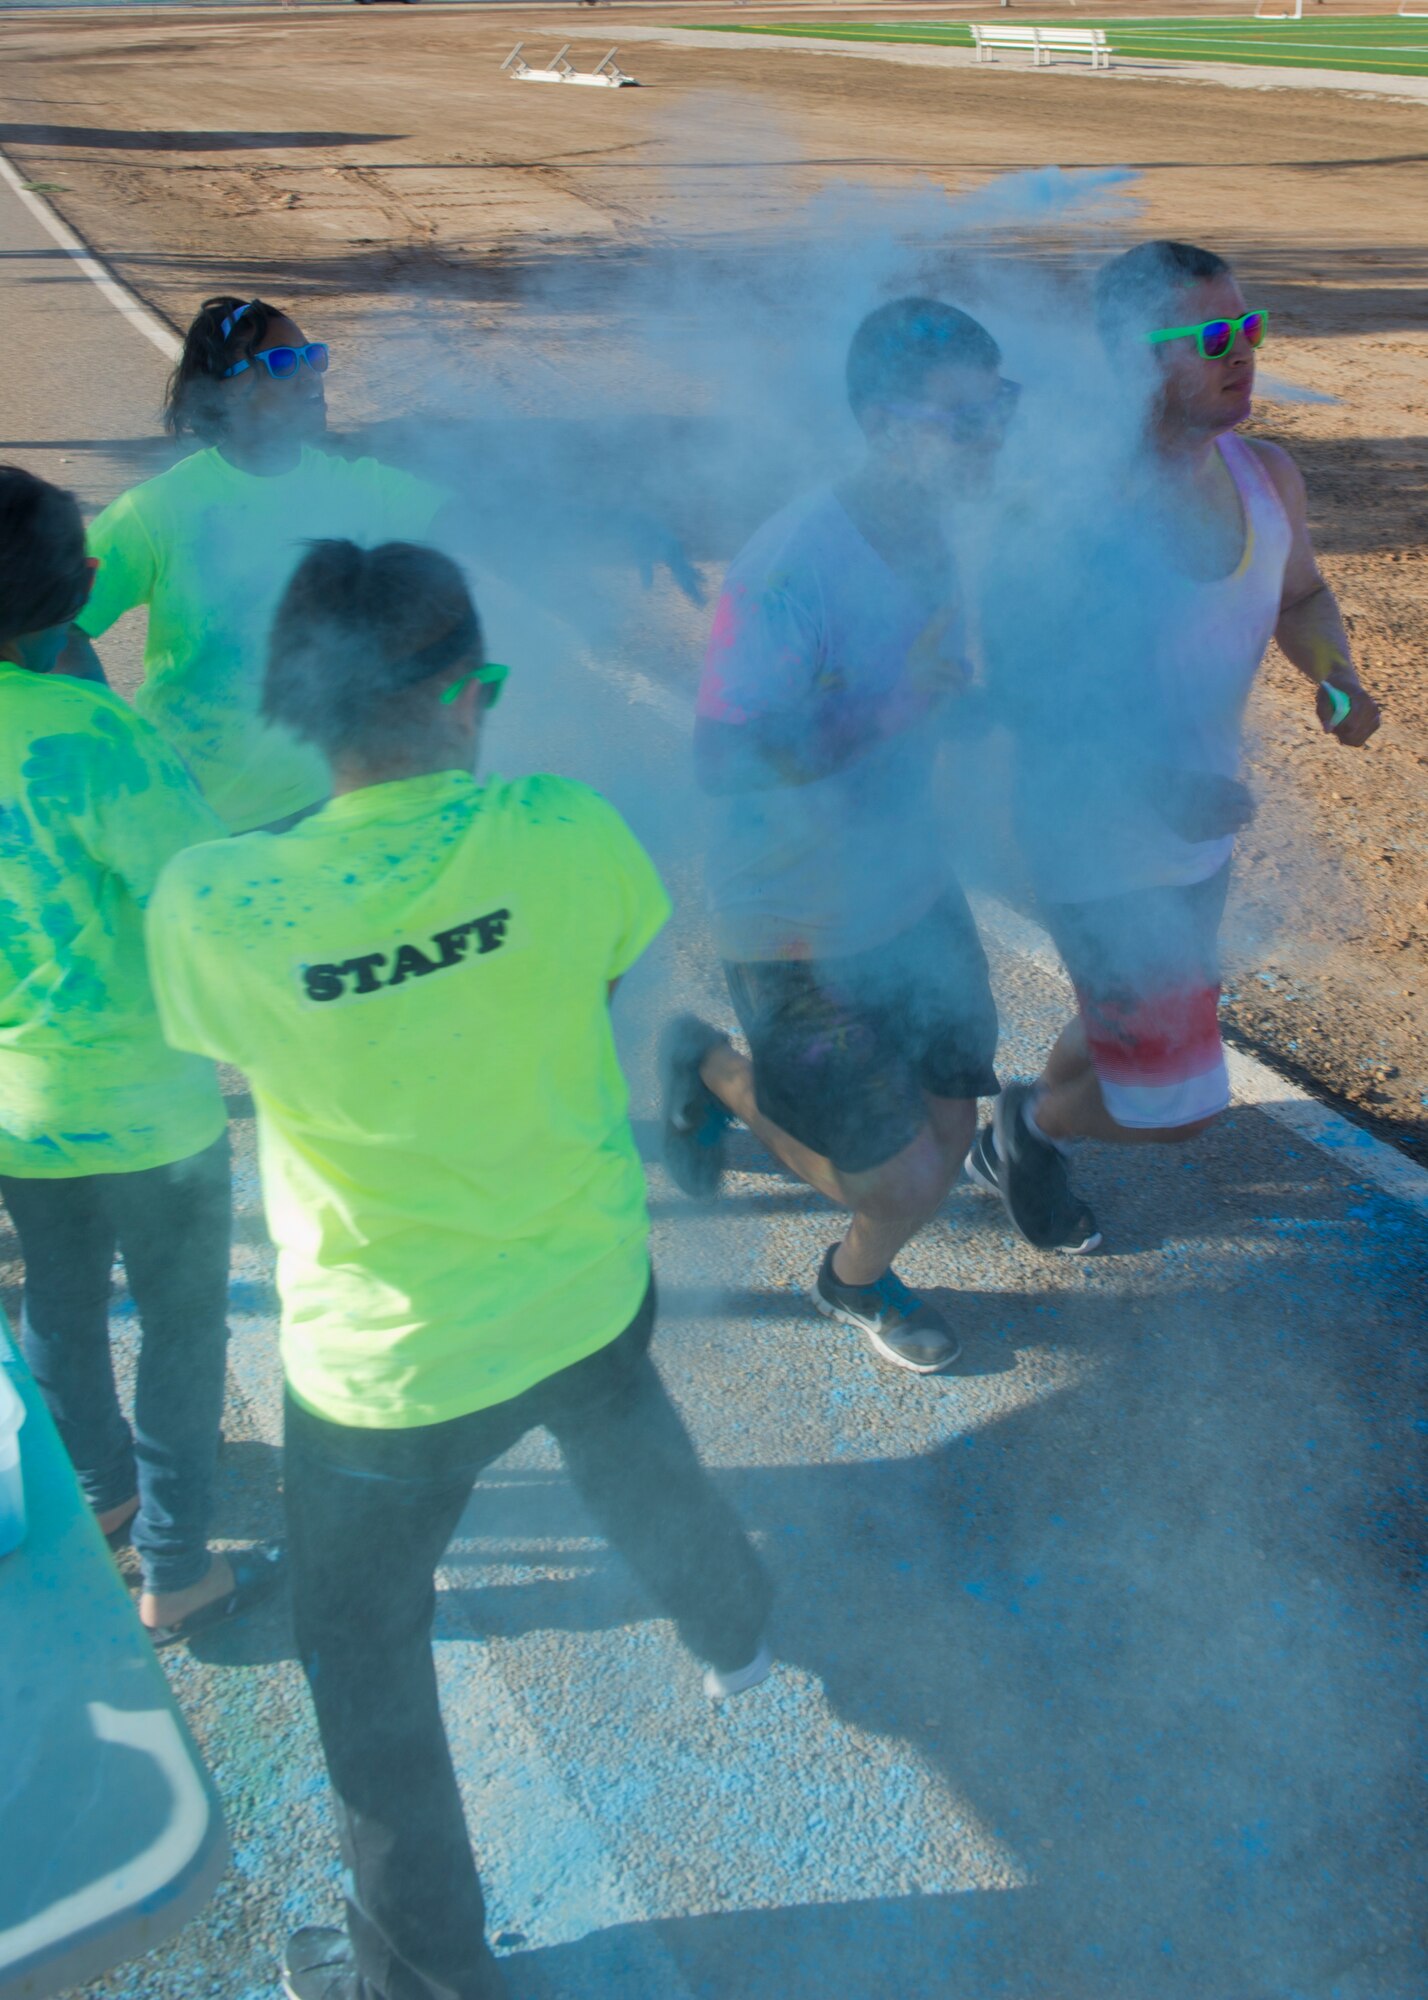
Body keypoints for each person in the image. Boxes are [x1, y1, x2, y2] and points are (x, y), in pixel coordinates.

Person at [145, 539, 773, 2000]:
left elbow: (224, 1048)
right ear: (459, 693)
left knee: (365, 1652)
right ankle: (736, 1627)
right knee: (634, 1453)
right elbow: (599, 969)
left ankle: (423, 1972)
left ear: (303, 709)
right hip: (581, 1281)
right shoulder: (563, 828)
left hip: (386, 1366)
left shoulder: (216, 902)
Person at [969, 239, 1382, 1251]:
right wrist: (1156, 788)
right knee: (1180, 1106)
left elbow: (1301, 594)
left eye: (1250, 326)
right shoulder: (1071, 506)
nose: (1243, 351)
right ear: (1135, 357)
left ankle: (1027, 1123)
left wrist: (1334, 673)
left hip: (1202, 829)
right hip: (1092, 835)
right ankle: (1026, 1129)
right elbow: (1022, 689)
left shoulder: (1266, 477)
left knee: (1136, 1019)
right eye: (1212, 335)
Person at [659, 299, 1012, 1376]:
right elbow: (722, 758)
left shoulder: (945, 521)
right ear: (881, 424)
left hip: (908, 883)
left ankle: (853, 1272)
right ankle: (711, 1068)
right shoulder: (790, 568)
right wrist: (894, 704)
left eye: (999, 406)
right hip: (792, 915)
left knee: (952, 1130)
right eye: (963, 417)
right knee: (896, 1182)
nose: (991, 435)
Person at [0, 465, 281, 1642]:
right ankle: (177, 1563)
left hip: (17, 1107)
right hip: (150, 1107)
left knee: (58, 1304)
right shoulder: (99, 735)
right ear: (72, 590)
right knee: (180, 1323)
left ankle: (101, 1487)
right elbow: (203, 896)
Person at [62, 294, 449, 833]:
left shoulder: (355, 486)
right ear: (230, 388)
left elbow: (474, 524)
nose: (311, 375)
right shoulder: (159, 510)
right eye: (284, 362)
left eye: (314, 356)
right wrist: (114, 735)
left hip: (329, 811)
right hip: (205, 824)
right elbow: (58, 622)